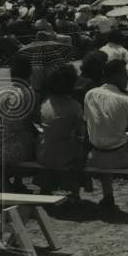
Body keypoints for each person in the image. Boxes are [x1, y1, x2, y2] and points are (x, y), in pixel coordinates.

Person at [83, 59, 128, 211]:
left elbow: (89, 124)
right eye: (125, 75)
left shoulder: (89, 94)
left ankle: (108, 196)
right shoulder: (126, 101)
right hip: (118, 159)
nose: (127, 79)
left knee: (106, 141)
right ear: (116, 76)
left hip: (95, 158)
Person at [36, 63, 87, 199]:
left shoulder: (45, 103)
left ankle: (45, 187)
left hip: (44, 153)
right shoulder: (75, 106)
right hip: (65, 155)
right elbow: (80, 133)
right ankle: (75, 191)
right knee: (80, 148)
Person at [0, 53, 39, 191]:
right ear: (29, 73)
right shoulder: (28, 92)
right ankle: (18, 181)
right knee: (31, 138)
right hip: (19, 150)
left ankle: (5, 181)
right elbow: (30, 122)